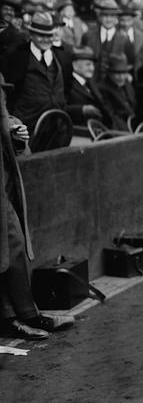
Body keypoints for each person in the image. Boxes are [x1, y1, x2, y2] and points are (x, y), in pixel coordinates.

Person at [0, 77, 75, 340]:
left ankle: (24, 314)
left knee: (12, 246)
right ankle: (12, 318)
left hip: (5, 177)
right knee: (10, 244)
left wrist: (14, 131)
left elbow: (4, 116)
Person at [0, 11, 72, 135]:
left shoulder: (62, 57)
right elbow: (7, 94)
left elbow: (67, 89)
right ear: (31, 34)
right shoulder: (16, 57)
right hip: (26, 131)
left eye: (49, 35)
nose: (45, 39)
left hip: (56, 131)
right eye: (41, 35)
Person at [64, 45, 113, 128]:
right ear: (74, 65)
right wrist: (82, 109)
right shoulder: (66, 83)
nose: (92, 68)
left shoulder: (91, 84)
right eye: (88, 65)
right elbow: (60, 108)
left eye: (93, 65)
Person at [97, 53, 136, 131]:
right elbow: (111, 115)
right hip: (121, 130)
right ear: (109, 73)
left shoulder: (127, 83)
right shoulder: (103, 89)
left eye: (124, 73)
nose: (121, 77)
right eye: (117, 73)